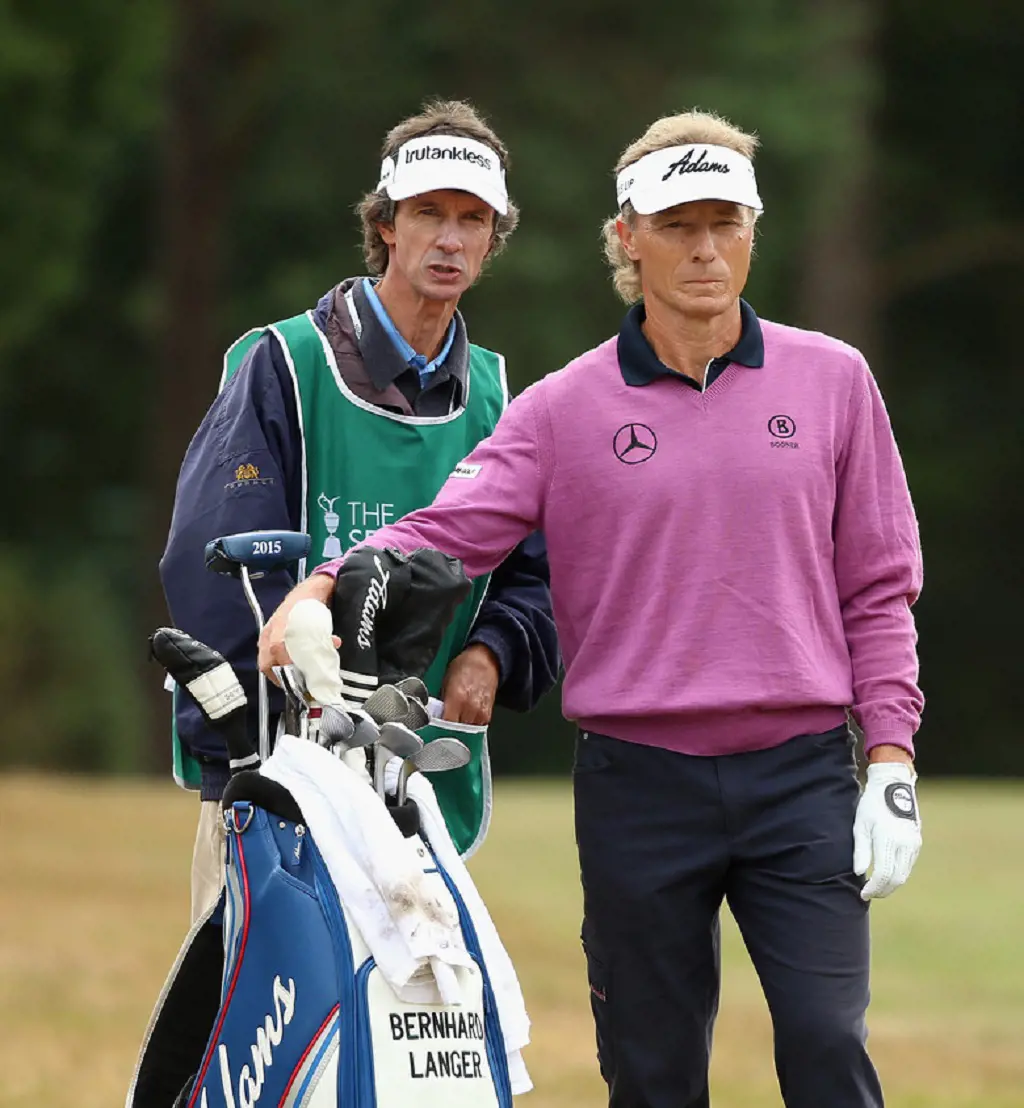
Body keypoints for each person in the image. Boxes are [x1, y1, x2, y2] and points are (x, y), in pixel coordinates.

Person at [258, 108, 925, 1108]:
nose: (703, 249)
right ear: (627, 237)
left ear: (753, 230)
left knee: (829, 1047)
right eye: (676, 226)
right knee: (652, 1075)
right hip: (638, 786)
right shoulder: (565, 407)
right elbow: (452, 527)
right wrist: (319, 586)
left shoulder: (832, 381)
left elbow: (876, 586)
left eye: (723, 224)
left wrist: (889, 759)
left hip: (798, 779)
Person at [160, 99, 559, 924]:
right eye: (427, 214)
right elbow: (214, 567)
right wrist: (258, 738)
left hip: (422, 783)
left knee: (411, 1043)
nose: (449, 239)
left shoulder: (500, 397)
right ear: (383, 224)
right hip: (272, 773)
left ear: (493, 239)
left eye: (472, 219)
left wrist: (492, 651)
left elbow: (536, 572)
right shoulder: (284, 364)